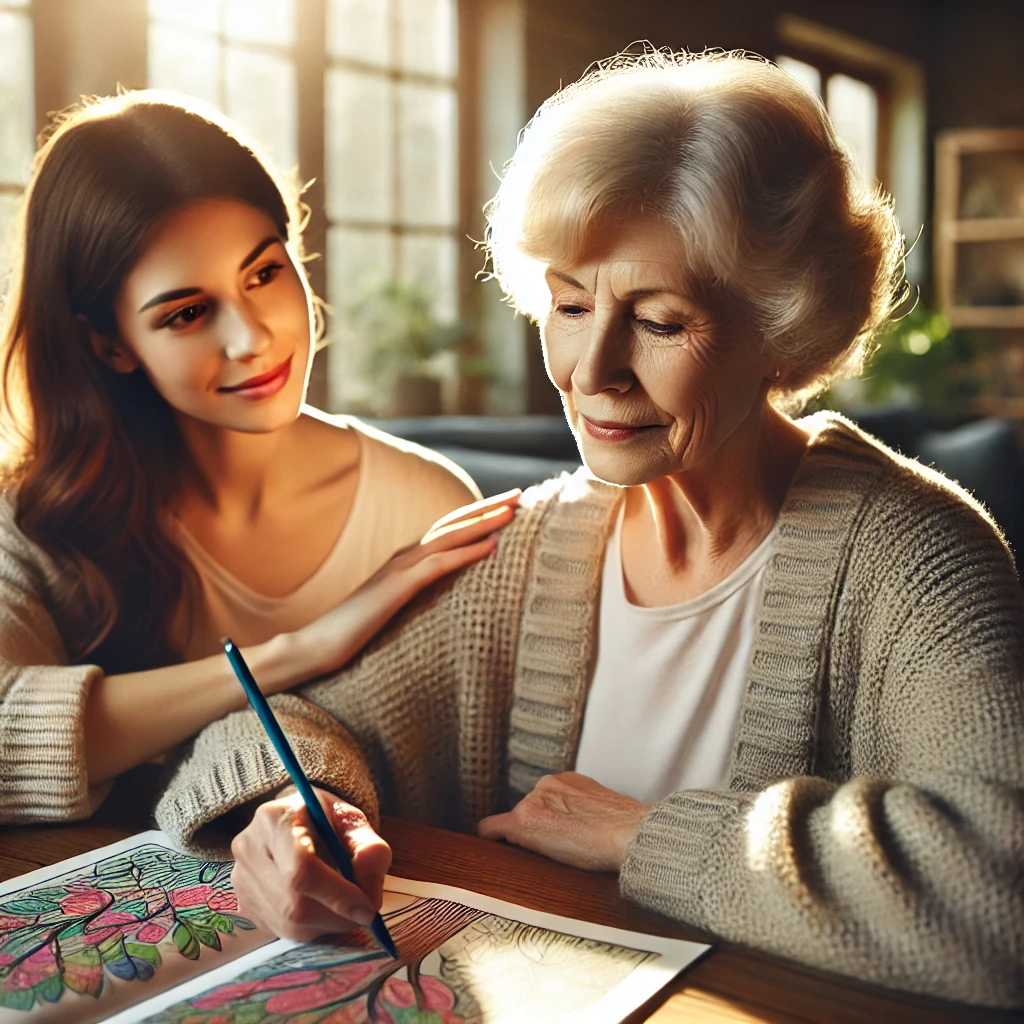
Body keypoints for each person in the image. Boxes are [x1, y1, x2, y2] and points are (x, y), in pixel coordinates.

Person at [156, 52, 1024, 1006]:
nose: (591, 370)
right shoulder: (529, 546)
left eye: (657, 321)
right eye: (569, 305)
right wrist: (298, 811)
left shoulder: (919, 560)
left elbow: (999, 893)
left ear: (783, 326)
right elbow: (299, 724)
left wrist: (642, 836)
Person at [0, 91, 518, 827]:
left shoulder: (426, 505)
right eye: (187, 312)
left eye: (264, 273)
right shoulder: (37, 518)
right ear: (108, 344)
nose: (252, 339)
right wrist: (299, 651)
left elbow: (471, 794)